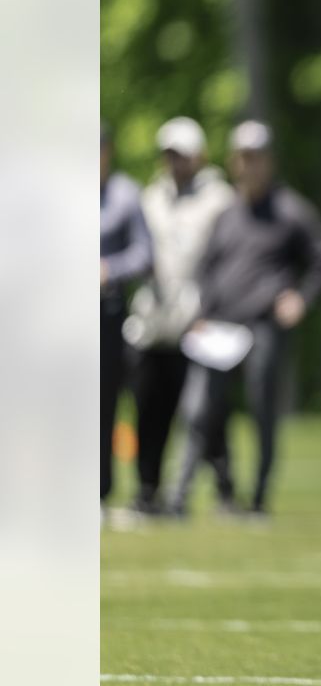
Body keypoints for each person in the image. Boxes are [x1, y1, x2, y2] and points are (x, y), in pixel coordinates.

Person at [170, 120, 321, 517]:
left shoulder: (290, 210)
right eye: (244, 157)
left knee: (263, 411)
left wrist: (301, 298)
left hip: (263, 326)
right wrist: (202, 314)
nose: (251, 165)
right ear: (233, 162)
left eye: (257, 157)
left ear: (270, 161)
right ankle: (180, 498)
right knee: (198, 411)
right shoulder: (227, 213)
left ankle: (258, 500)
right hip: (219, 328)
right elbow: (208, 268)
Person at [124, 117, 235, 514]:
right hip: (156, 322)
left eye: (182, 154)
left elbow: (227, 259)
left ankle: (223, 489)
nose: (175, 162)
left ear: (199, 155)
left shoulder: (220, 198)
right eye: (169, 154)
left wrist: (216, 308)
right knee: (150, 410)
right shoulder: (151, 197)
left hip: (199, 320)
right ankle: (148, 490)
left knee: (204, 413)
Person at [101, 123, 153, 508]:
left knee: (104, 403)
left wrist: (109, 269)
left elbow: (143, 254)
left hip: (107, 313)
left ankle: (99, 492)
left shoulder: (125, 195)